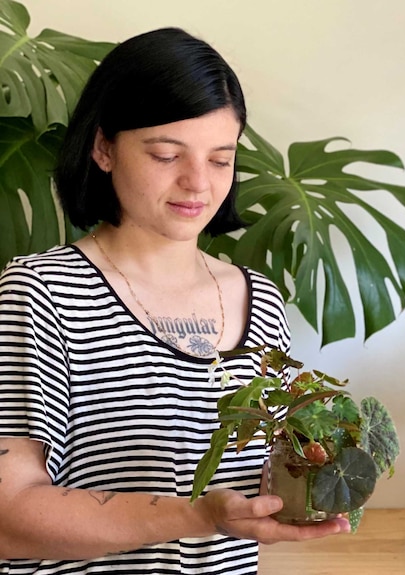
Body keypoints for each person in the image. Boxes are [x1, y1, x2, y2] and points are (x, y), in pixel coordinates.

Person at [0, 27, 348, 574]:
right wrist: (200, 515)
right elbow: (8, 516)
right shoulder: (41, 294)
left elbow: (261, 487)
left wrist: (301, 490)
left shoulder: (261, 302)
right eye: (166, 154)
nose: (197, 183)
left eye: (220, 159)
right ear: (103, 148)